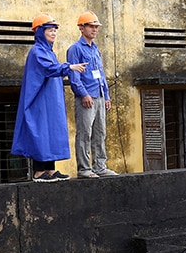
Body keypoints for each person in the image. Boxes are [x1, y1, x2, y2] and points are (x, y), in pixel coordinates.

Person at [11, 13, 87, 182]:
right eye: (50, 30)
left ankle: (50, 170)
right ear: (40, 32)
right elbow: (49, 69)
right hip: (39, 101)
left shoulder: (49, 52)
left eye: (55, 30)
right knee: (40, 132)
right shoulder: (37, 52)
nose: (53, 33)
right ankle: (39, 172)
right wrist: (70, 67)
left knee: (51, 132)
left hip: (50, 102)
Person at [67, 11, 118, 178]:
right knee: (84, 133)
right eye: (91, 26)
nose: (95, 29)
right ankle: (84, 169)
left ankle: (100, 166)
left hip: (100, 96)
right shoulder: (75, 49)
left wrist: (107, 96)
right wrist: (83, 94)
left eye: (96, 26)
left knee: (100, 132)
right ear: (82, 28)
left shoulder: (96, 49)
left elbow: (101, 74)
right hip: (87, 98)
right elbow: (74, 77)